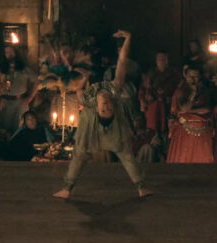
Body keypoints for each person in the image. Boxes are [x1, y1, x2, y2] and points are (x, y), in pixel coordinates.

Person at [53, 30, 152, 199]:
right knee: (80, 155)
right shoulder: (99, 97)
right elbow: (79, 91)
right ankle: (67, 189)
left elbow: (122, 61)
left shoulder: (108, 93)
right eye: (106, 108)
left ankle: (141, 187)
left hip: (111, 131)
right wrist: (83, 79)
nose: (106, 107)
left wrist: (128, 39)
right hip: (92, 130)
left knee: (126, 155)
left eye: (107, 108)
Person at [166, 66, 214, 163]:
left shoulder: (204, 91)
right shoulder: (180, 91)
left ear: (199, 77)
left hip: (202, 132)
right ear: (186, 76)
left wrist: (190, 111)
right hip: (184, 132)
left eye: (195, 76)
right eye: (190, 76)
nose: (192, 79)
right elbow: (183, 108)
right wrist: (192, 94)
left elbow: (207, 109)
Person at [0, 46, 35, 135]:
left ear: (16, 53)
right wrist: (0, 98)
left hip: (21, 102)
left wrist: (30, 97)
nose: (9, 54)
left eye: (11, 52)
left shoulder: (24, 69)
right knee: (4, 130)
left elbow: (37, 81)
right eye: (7, 53)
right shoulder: (1, 69)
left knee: (19, 129)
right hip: (5, 103)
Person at [139, 51, 180, 137]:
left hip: (168, 105)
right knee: (153, 130)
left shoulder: (173, 74)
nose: (160, 61)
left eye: (163, 59)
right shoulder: (150, 74)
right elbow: (143, 89)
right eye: (158, 59)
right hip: (153, 105)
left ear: (167, 60)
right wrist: (142, 101)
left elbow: (178, 88)